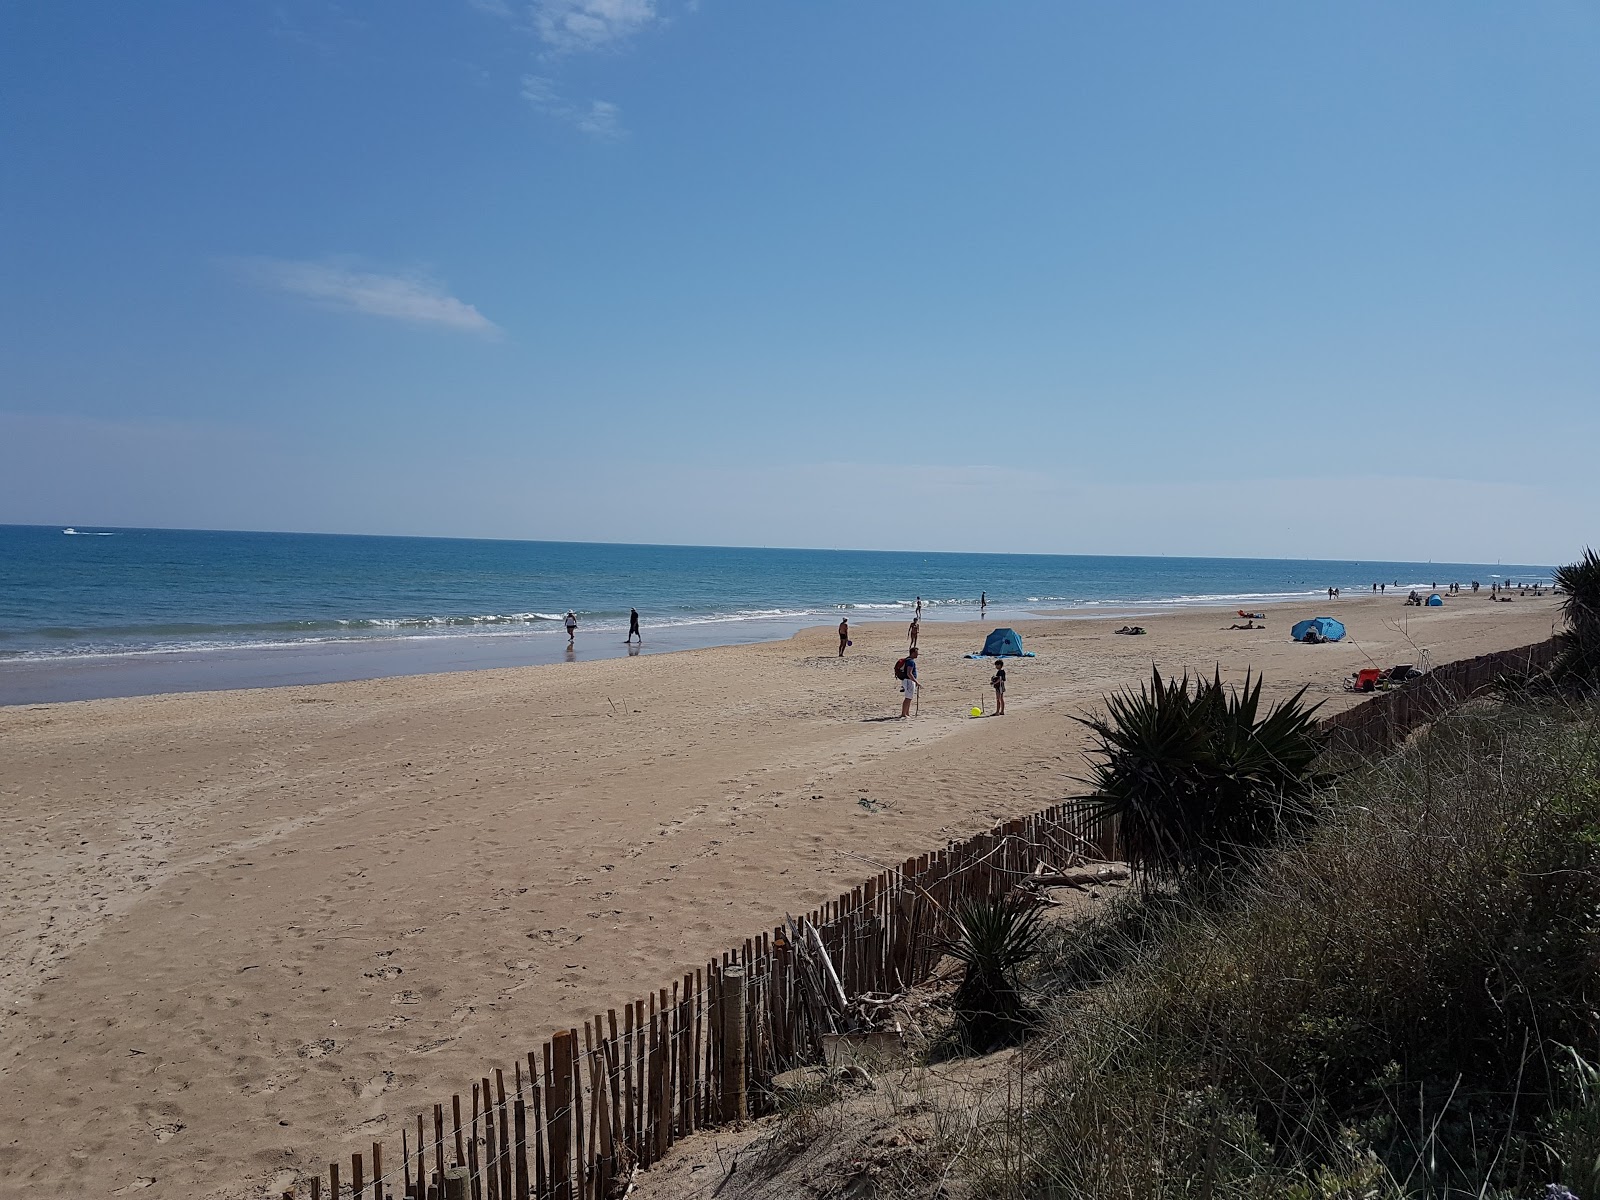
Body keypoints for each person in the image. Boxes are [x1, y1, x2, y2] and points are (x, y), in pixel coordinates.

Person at [900, 647, 919, 718]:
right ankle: (903, 714)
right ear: (913, 653)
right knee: (908, 697)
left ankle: (907, 713)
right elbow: (909, 673)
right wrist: (916, 681)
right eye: (916, 653)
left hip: (908, 681)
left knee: (909, 697)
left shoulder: (908, 660)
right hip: (909, 681)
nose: (917, 654)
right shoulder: (911, 661)